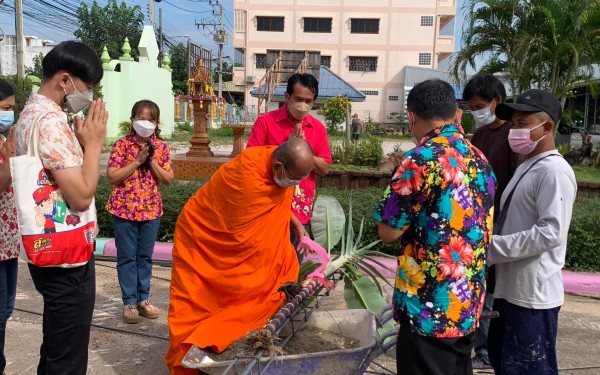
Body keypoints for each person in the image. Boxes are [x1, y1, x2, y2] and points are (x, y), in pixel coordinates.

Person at [373, 79, 496, 375]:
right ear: (455, 113)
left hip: (428, 310)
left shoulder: (419, 159)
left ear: (412, 116)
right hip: (466, 306)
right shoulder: (479, 159)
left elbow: (388, 231)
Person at [166, 138, 315, 375]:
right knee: (205, 299)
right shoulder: (246, 176)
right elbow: (242, 239)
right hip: (203, 237)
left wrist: (294, 221)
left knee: (268, 282)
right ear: (278, 167)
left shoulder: (271, 160)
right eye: (295, 178)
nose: (295, 184)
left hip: (236, 242)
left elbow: (274, 204)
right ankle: (192, 348)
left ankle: (237, 334)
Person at [14, 40, 107, 374]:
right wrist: (94, 145)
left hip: (47, 246)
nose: (90, 97)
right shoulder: (51, 123)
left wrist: (82, 144)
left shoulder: (30, 113)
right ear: (65, 80)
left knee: (56, 344)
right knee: (67, 356)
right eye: (88, 88)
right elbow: (81, 196)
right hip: (67, 256)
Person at [487, 89, 577, 375]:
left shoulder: (554, 171)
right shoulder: (529, 166)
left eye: (522, 123)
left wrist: (493, 248)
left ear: (547, 127)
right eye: (513, 124)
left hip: (532, 298)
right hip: (511, 290)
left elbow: (551, 231)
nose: (515, 130)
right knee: (505, 364)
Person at [463, 74, 519, 369]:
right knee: (477, 286)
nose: (477, 112)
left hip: (500, 224)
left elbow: (514, 186)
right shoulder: (482, 134)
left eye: (481, 105)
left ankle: (484, 349)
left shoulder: (513, 134)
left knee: (490, 292)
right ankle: (475, 343)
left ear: (498, 101)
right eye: (472, 107)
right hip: (478, 221)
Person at [246, 73, 331, 263]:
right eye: (298, 99)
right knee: (263, 263)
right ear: (286, 97)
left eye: (308, 101)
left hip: (300, 209)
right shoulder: (266, 122)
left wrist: (304, 152)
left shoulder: (318, 128)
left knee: (292, 266)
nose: (303, 105)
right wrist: (289, 146)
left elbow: (324, 168)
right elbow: (250, 161)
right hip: (268, 205)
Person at [106, 100, 174, 324]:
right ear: (133, 118)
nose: (146, 123)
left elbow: (168, 179)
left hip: (151, 210)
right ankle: (129, 302)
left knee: (145, 257)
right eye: (142, 118)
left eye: (151, 119)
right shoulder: (122, 144)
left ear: (156, 123)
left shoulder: (161, 147)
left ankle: (143, 299)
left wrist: (151, 161)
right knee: (127, 257)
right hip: (124, 209)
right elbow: (112, 176)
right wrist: (136, 162)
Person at [0, 79, 18, 375]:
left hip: (7, 243)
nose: (10, 115)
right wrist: (11, 157)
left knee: (4, 312)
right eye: (6, 108)